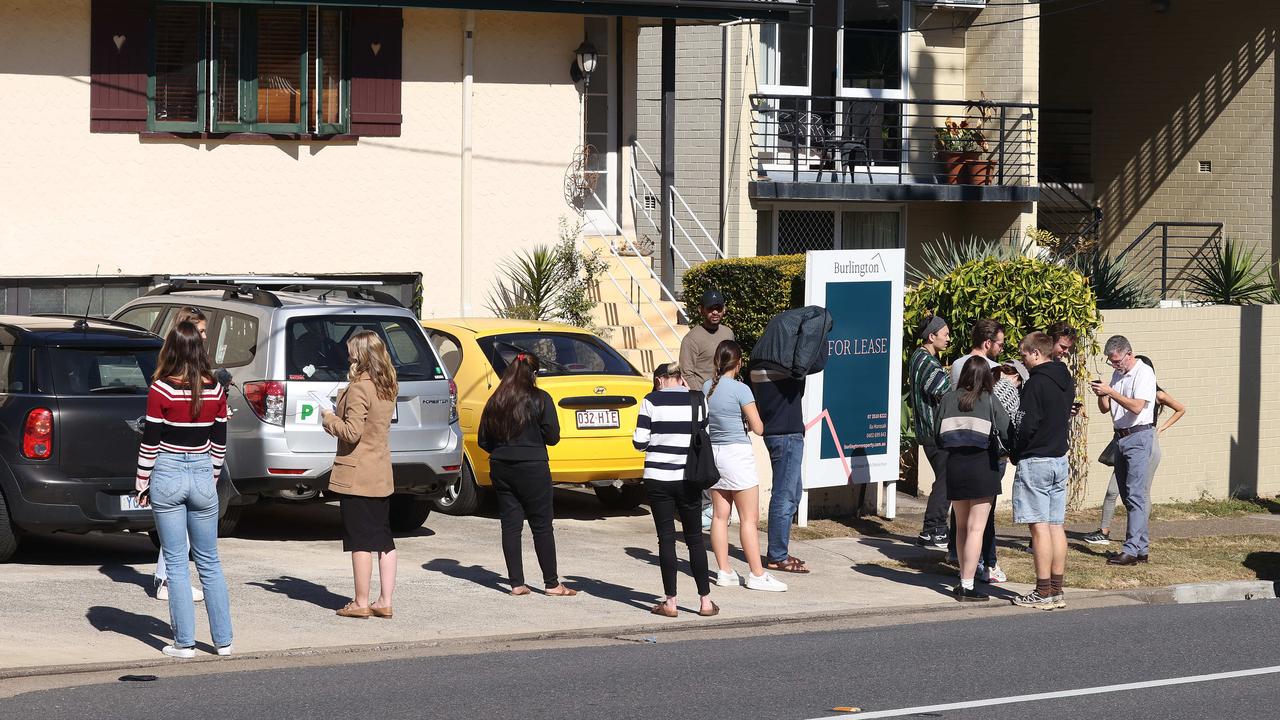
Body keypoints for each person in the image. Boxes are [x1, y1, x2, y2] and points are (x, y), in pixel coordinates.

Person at [135, 321, 233, 658]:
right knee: (210, 562)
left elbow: (150, 442)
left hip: (168, 471)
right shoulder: (215, 390)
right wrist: (212, 475)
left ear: (172, 349)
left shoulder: (161, 389)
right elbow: (220, 442)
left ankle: (184, 643)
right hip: (204, 472)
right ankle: (224, 642)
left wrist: (141, 482)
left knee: (176, 563)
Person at [477, 353, 576, 597]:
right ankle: (552, 584)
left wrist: (504, 450)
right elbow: (552, 437)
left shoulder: (496, 399)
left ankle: (516, 583)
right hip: (533, 465)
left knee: (510, 525)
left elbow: (483, 439)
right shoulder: (541, 398)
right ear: (534, 375)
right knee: (541, 525)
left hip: (501, 464)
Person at [320, 331, 399, 619]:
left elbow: (352, 432)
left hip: (357, 474)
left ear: (361, 355)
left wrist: (329, 419)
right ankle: (384, 600)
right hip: (380, 470)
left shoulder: (360, 388)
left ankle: (361, 601)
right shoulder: (388, 385)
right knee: (384, 539)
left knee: (360, 541)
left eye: (351, 350)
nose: (348, 354)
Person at [633, 362, 718, 618]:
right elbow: (702, 431)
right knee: (694, 539)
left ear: (659, 379)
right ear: (680, 378)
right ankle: (705, 601)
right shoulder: (698, 399)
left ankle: (670, 602)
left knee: (666, 539)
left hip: (658, 479)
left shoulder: (650, 401)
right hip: (688, 477)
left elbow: (639, 442)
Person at [703, 341, 787, 592]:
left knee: (719, 516)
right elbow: (759, 427)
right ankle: (757, 574)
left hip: (714, 454)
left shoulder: (708, 387)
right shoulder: (741, 390)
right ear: (738, 363)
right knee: (749, 519)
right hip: (737, 454)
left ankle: (724, 571)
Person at [1084, 355, 1186, 545]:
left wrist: (1161, 428)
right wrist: (1104, 393)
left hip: (1146, 443)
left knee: (1141, 493)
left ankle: (1138, 537)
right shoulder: (1124, 389)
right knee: (1114, 490)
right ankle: (1104, 531)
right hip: (1125, 441)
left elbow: (1180, 409)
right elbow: (1105, 409)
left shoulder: (1158, 394)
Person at [934, 356, 1010, 602]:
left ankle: (961, 580)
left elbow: (937, 434)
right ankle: (967, 585)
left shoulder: (947, 399)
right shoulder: (989, 400)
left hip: (955, 465)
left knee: (962, 527)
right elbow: (1006, 430)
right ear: (987, 377)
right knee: (978, 528)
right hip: (982, 466)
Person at [1009, 331, 1074, 609]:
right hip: (1059, 457)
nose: (1024, 360)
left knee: (1039, 528)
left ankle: (1043, 590)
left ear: (1037, 353)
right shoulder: (1065, 379)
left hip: (1037, 459)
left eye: (1024, 355)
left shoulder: (1035, 385)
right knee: (1056, 525)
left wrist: (1014, 449)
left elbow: (1025, 424)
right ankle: (1056, 588)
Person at [153, 307, 208, 603]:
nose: (204, 338)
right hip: (180, 459)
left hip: (192, 459)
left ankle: (167, 579)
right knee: (178, 530)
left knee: (181, 527)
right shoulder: (172, 377)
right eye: (199, 332)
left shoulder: (188, 370)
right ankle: (167, 581)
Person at [1090, 338, 1160, 565]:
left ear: (1129, 354)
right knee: (1128, 495)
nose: (1115, 366)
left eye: (1117, 361)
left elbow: (1137, 406)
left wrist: (1111, 391)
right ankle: (1141, 549)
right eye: (1111, 362)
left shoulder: (1144, 372)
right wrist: (1103, 395)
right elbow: (1105, 409)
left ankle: (1131, 550)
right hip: (1120, 437)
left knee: (1136, 494)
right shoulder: (1118, 374)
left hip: (1139, 436)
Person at [679, 289, 736, 529]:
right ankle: (704, 508)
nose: (715, 312)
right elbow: (686, 371)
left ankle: (721, 506)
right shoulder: (692, 338)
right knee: (705, 454)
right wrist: (702, 395)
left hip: (726, 401)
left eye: (719, 308)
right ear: (701, 310)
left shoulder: (727, 332)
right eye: (710, 308)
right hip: (703, 404)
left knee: (725, 452)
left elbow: (731, 361)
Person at [749, 358, 809, 575]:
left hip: (779, 434)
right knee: (785, 496)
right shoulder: (786, 369)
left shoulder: (758, 367)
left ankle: (779, 550)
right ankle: (777, 555)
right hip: (786, 436)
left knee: (792, 494)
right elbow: (800, 384)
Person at [909, 315, 952, 549]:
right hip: (934, 431)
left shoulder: (921, 358)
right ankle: (932, 529)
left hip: (933, 430)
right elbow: (941, 389)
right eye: (944, 334)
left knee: (946, 478)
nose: (948, 339)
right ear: (931, 336)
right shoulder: (925, 361)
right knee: (947, 478)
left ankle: (934, 529)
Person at [949, 319, 1005, 388]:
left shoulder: (956, 364)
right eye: (1000, 345)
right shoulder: (996, 369)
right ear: (988, 343)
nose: (1002, 350)